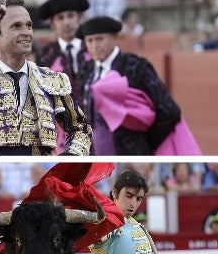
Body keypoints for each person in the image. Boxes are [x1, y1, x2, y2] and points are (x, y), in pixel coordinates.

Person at [0, 0, 92, 155]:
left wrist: (68, 159)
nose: (26, 32)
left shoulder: (51, 80)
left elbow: (80, 128)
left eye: (29, 26)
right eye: (16, 26)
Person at [75, 16, 201, 155]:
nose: (94, 45)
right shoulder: (85, 72)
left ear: (114, 37)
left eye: (100, 39)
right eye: (89, 40)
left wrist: (145, 143)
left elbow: (169, 110)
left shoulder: (136, 67)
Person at [36, 0, 90, 106]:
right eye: (60, 18)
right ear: (52, 23)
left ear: (79, 18)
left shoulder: (93, 47)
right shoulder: (44, 55)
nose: (66, 22)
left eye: (70, 16)